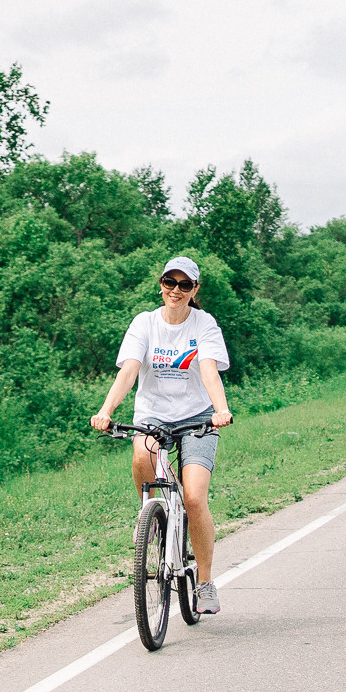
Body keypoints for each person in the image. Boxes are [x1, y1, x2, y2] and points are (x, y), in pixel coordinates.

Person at [91, 256, 234, 612]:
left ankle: (205, 583)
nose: (176, 290)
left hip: (197, 417)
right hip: (153, 415)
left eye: (185, 285)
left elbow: (208, 369)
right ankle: (151, 515)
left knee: (195, 498)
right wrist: (106, 411)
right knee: (142, 454)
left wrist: (220, 409)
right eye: (170, 282)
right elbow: (129, 371)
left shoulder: (204, 324)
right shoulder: (145, 323)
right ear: (161, 284)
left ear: (195, 289)